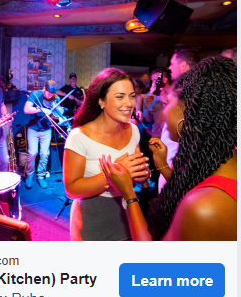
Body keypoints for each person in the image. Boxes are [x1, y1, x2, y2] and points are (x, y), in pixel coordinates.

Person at [100, 56, 237, 241]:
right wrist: (163, 166)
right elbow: (192, 185)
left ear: (188, 114)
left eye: (166, 103)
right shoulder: (221, 159)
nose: (163, 111)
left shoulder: (203, 208)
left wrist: (128, 195)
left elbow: (156, 264)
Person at [63, 68, 150, 241]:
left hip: (128, 213)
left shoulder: (133, 130)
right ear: (101, 101)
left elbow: (137, 172)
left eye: (132, 96)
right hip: (93, 221)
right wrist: (113, 175)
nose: (129, 103)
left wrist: (143, 174)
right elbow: (71, 190)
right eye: (120, 97)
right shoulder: (80, 136)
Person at [157, 46, 199, 193]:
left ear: (183, 65)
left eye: (172, 63)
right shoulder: (189, 87)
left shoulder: (190, 91)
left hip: (176, 165)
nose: (169, 67)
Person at [24, 80, 64, 189]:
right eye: (48, 94)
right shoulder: (35, 95)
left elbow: (57, 116)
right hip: (33, 129)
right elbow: (26, 109)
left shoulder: (55, 98)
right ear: (44, 89)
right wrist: (40, 109)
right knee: (33, 153)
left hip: (46, 129)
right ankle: (30, 175)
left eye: (52, 95)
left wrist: (55, 112)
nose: (50, 97)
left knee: (44, 153)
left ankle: (41, 176)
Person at [143, 68, 171, 138]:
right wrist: (150, 96)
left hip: (172, 138)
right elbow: (148, 118)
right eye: (152, 81)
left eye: (155, 80)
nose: (153, 84)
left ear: (164, 80)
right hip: (157, 136)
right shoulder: (151, 97)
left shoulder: (174, 95)